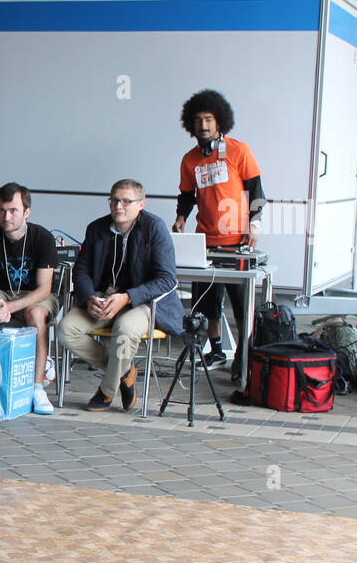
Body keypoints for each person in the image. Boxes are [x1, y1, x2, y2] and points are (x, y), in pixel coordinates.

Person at [59, 179, 183, 411]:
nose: (119, 206)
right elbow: (82, 270)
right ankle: (124, 371)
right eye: (114, 200)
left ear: (141, 204)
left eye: (126, 201)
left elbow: (167, 279)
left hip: (143, 302)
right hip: (104, 298)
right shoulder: (96, 228)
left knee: (125, 330)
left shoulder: (155, 228)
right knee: (66, 330)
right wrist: (88, 297)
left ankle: (106, 392)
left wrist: (127, 297)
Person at [171, 89, 265, 369]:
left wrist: (254, 223)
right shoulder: (190, 159)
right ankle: (216, 350)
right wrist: (181, 217)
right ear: (191, 124)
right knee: (207, 302)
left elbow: (256, 190)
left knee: (240, 303)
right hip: (205, 240)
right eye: (198, 119)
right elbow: (187, 195)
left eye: (209, 118)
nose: (203, 124)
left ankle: (245, 356)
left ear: (219, 121)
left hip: (237, 241)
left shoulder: (239, 150)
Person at [0, 183, 59, 415]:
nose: (6, 217)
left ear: (26, 212)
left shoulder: (43, 238)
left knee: (34, 314)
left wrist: (11, 307)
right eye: (1, 210)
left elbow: (44, 289)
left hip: (34, 296)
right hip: (2, 294)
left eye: (13, 210)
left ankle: (37, 387)